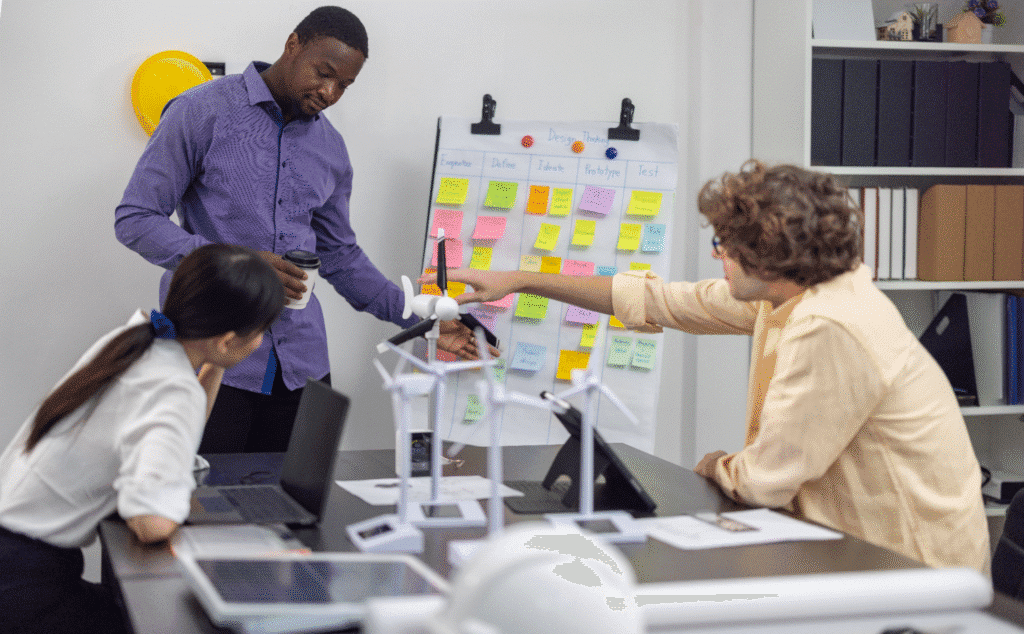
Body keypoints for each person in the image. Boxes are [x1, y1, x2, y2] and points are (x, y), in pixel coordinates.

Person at [420, 160, 990, 574]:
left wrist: (714, 465)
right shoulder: (789, 294)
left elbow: (763, 481)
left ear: (763, 252)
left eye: (724, 243)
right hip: (848, 546)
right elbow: (657, 300)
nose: (717, 254)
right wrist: (520, 278)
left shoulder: (831, 325)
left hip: (909, 567)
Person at [114, 6, 490, 454]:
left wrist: (423, 321)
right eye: (323, 73)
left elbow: (341, 256)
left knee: (300, 513)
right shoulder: (200, 112)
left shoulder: (331, 149)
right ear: (293, 44)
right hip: (215, 359)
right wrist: (237, 265)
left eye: (344, 85)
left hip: (303, 366)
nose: (329, 92)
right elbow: (136, 219)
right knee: (201, 513)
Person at [0, 244, 285, 634]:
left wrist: (215, 364)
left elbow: (178, 430)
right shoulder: (170, 388)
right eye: (262, 331)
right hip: (23, 582)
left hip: (16, 557)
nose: (260, 343)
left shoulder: (137, 341)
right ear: (226, 339)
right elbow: (150, 524)